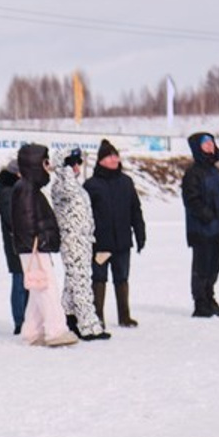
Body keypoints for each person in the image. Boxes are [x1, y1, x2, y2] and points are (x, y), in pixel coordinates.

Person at [9, 143, 77, 347]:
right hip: (34, 247)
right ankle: (56, 331)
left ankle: (32, 331)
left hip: (33, 246)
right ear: (35, 163)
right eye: (45, 162)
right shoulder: (26, 189)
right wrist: (39, 241)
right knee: (47, 289)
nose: (48, 167)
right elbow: (27, 220)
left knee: (38, 287)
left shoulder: (29, 188)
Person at [84, 139, 146, 329]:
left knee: (122, 278)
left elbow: (135, 209)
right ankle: (98, 317)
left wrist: (140, 232)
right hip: (100, 243)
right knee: (98, 279)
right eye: (109, 156)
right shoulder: (91, 185)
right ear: (101, 160)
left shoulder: (126, 182)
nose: (114, 159)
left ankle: (124, 316)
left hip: (122, 242)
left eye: (115, 155)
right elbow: (85, 216)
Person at [49, 148, 109, 341]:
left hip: (82, 240)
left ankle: (69, 317)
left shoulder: (74, 185)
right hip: (73, 242)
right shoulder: (62, 185)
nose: (77, 167)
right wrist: (63, 166)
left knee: (73, 282)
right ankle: (89, 326)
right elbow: (68, 188)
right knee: (81, 282)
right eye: (73, 163)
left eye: (79, 163)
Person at [182, 131, 219, 317]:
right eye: (206, 143)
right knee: (202, 267)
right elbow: (191, 199)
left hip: (218, 228)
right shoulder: (193, 172)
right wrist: (206, 215)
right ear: (197, 147)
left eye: (212, 142)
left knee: (215, 266)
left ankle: (210, 298)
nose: (210, 145)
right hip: (202, 229)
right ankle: (200, 303)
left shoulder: (215, 170)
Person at [0, 155, 27, 334]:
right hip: (16, 243)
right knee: (19, 281)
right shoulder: (8, 191)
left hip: (24, 242)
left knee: (27, 281)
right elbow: (12, 219)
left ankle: (26, 318)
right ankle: (19, 320)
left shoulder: (18, 189)